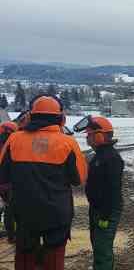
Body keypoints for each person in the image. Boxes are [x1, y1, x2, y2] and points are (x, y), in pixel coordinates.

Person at [0, 95, 87, 270]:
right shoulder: (68, 143)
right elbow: (79, 179)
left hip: (24, 213)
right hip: (57, 213)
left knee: (25, 257)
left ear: (31, 116)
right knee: (54, 258)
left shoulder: (14, 140)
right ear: (61, 118)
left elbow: (2, 176)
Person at [78, 116, 124, 270]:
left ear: (99, 135)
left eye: (89, 135)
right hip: (97, 207)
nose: (87, 138)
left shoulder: (111, 158)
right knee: (97, 245)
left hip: (107, 210)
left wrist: (105, 215)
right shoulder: (99, 155)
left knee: (102, 249)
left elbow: (112, 190)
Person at [0, 121, 18, 243]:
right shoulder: (14, 144)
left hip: (3, 181)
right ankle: (12, 235)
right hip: (10, 182)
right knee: (10, 210)